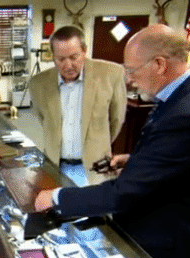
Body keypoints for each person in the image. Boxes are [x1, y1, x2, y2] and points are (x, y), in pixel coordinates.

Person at [34, 24, 190, 258]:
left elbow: (123, 194)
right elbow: (180, 162)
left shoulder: (187, 115)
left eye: (132, 70)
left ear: (160, 64)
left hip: (178, 249)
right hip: (177, 230)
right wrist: (137, 160)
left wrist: (56, 197)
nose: (129, 79)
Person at [29, 26, 127, 186]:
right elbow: (44, 120)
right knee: (59, 209)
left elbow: (116, 119)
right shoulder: (38, 83)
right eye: (61, 59)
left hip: (95, 168)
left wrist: (98, 145)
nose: (68, 65)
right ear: (53, 57)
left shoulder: (112, 74)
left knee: (94, 210)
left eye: (74, 57)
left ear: (84, 51)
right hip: (56, 166)